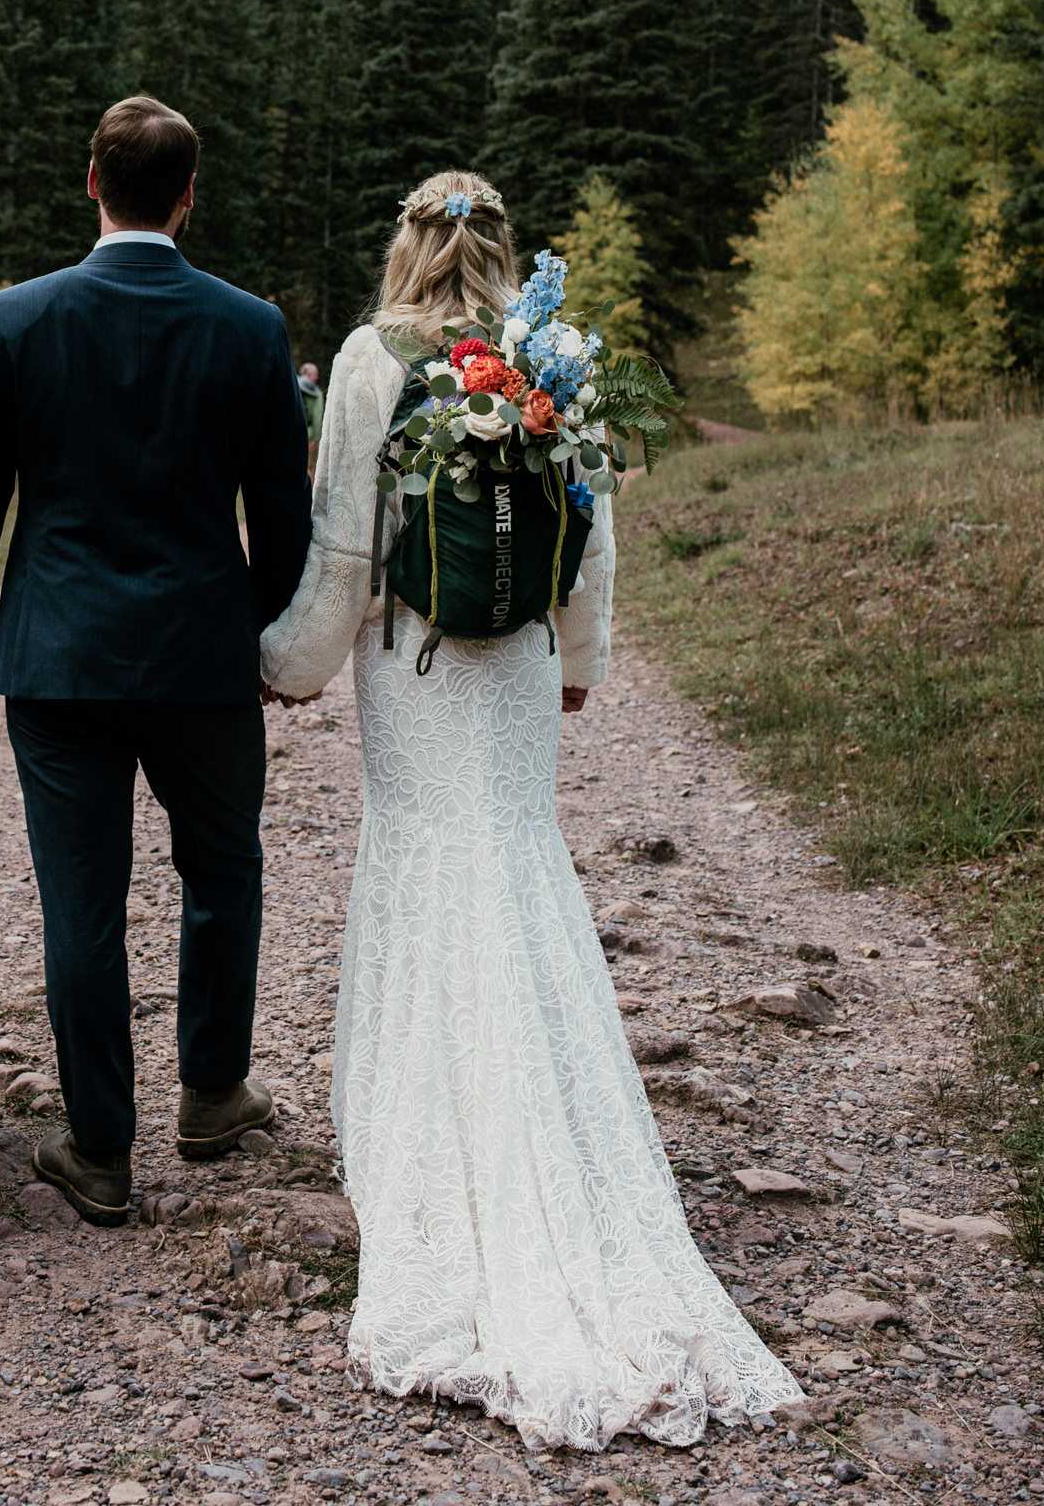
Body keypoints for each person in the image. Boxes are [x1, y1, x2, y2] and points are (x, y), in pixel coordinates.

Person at [258, 170, 802, 1452]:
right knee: (513, 856)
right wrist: (576, 666)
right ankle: (554, 1121)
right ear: (501, 252)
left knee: (427, 858)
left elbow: (345, 549)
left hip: (415, 659)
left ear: (406, 247)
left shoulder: (371, 358)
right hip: (505, 670)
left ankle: (439, 1148)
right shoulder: (547, 354)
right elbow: (590, 532)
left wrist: (281, 668)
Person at [0, 95, 312, 1226]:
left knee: (82, 905)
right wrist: (269, 634)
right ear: (188, 197)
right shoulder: (250, 327)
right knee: (222, 873)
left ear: (91, 184)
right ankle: (210, 1094)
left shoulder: (17, 319)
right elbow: (280, 511)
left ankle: (99, 1150)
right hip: (204, 659)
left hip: (61, 663)